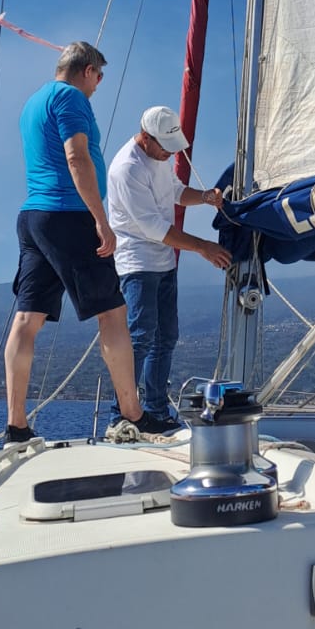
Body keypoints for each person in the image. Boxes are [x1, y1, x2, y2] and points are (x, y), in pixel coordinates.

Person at [4, 41, 147, 443]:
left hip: (33, 218)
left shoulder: (33, 103)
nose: (98, 85)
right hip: (69, 214)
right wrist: (101, 220)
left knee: (27, 319)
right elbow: (76, 157)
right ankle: (133, 415)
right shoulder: (71, 98)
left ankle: (16, 425)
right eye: (99, 76)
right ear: (87, 70)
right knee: (113, 313)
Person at [105, 105, 232, 438]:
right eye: (165, 147)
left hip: (164, 262)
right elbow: (152, 226)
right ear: (146, 137)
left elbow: (175, 192)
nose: (170, 154)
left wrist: (204, 197)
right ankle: (122, 414)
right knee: (140, 337)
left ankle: (156, 411)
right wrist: (203, 246)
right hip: (137, 263)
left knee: (166, 338)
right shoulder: (127, 168)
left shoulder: (160, 157)